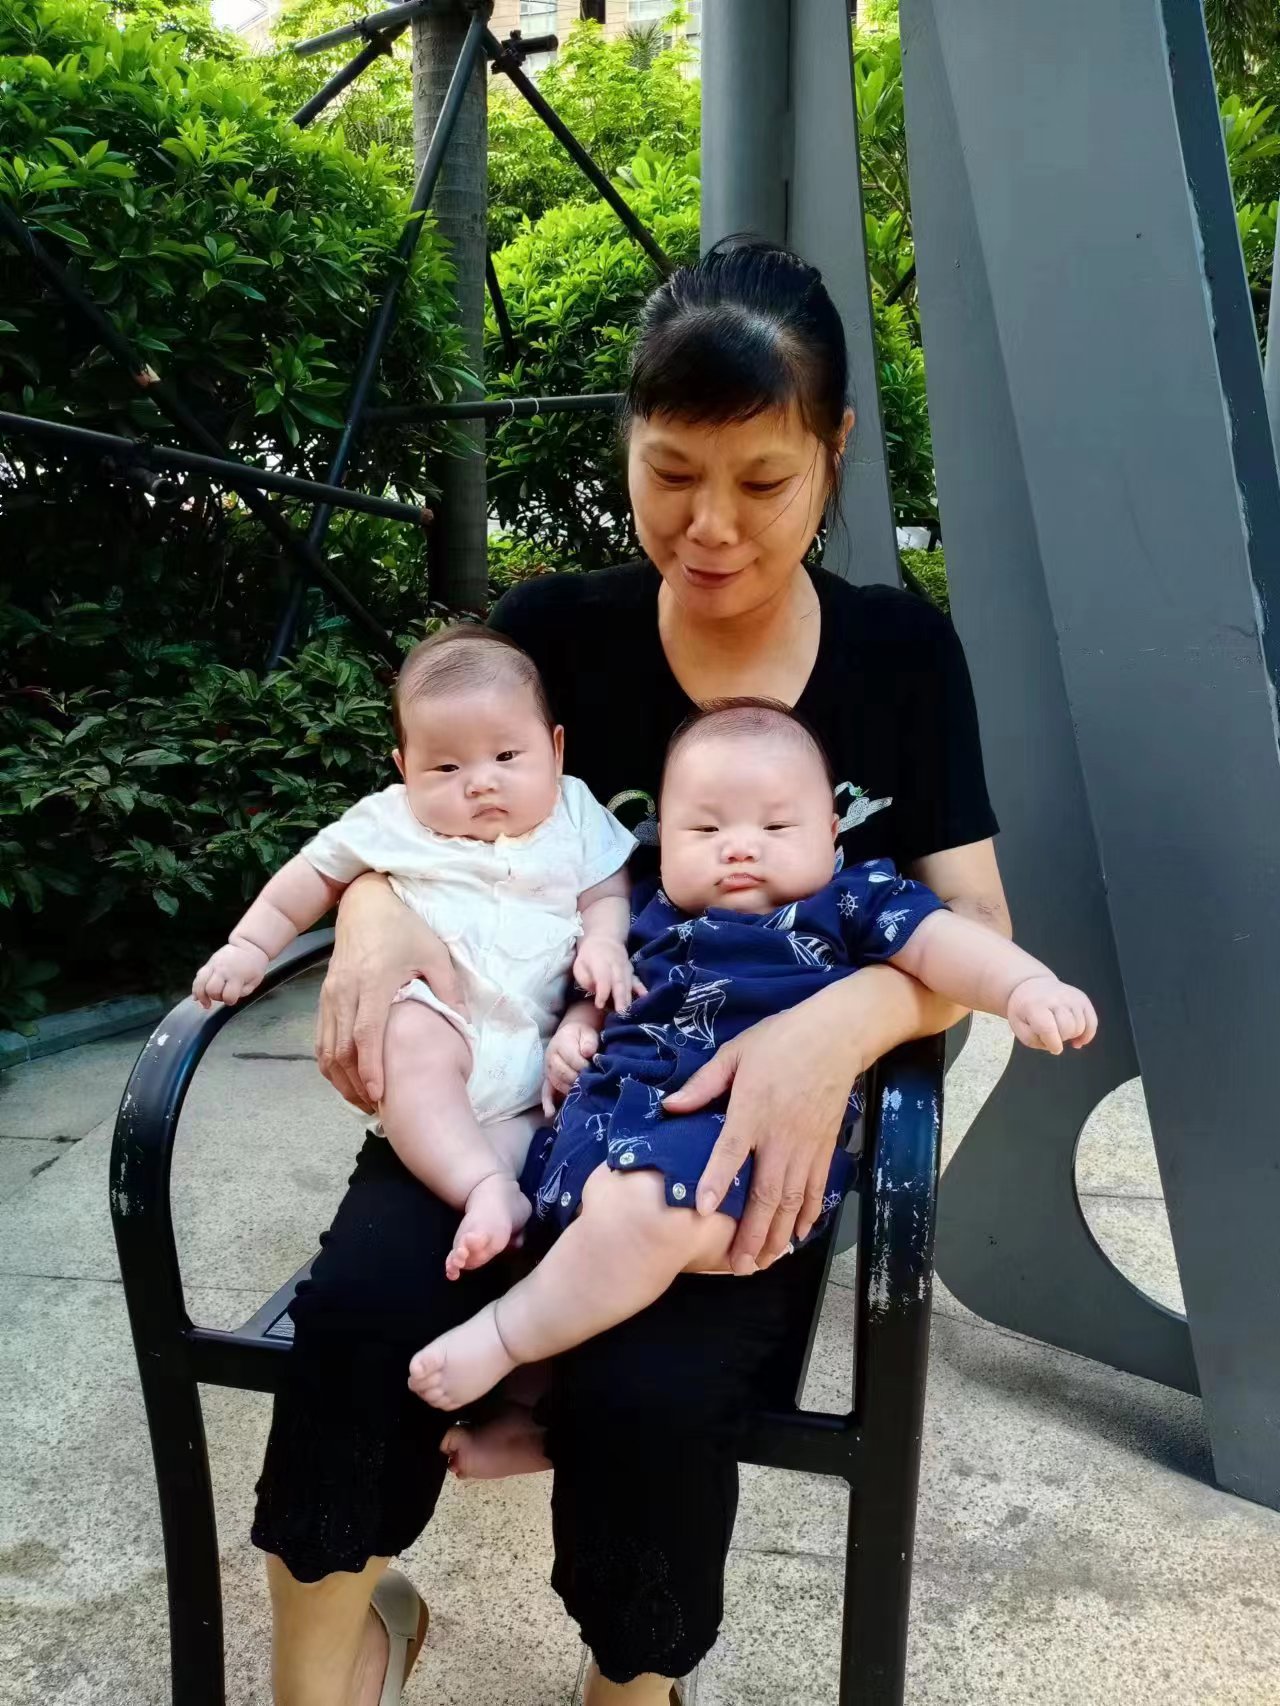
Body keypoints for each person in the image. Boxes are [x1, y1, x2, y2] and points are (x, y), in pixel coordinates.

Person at [251, 237, 1016, 1706]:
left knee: (645, 1395)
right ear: (627, 442)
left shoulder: (900, 657)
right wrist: (379, 912)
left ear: (833, 449)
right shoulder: (556, 637)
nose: (708, 526)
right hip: (515, 1098)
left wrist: (837, 1028)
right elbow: (414, 818)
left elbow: (972, 920)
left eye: (761, 480)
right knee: (360, 1316)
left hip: (728, 1138)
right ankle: (328, 1663)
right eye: (670, 472)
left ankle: (632, 1680)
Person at [408, 699, 1095, 1414]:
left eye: (775, 826)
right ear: (661, 843)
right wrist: (578, 1027)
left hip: (730, 1156)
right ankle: (528, 1415)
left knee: (639, 1215)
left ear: (832, 833)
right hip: (597, 1127)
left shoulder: (852, 902)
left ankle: (505, 1338)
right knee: (508, 1183)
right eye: (705, 829)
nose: (738, 847)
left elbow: (946, 944)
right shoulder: (645, 909)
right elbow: (599, 987)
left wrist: (1023, 986)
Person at [192, 625, 636, 1281]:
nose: (480, 783)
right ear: (404, 770)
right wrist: (248, 946)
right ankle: (482, 1187)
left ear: (556, 747)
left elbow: (607, 890)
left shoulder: (574, 811)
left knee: (543, 1123)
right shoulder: (391, 821)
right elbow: (308, 880)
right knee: (407, 1039)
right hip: (443, 1023)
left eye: (506, 755)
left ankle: (506, 1215)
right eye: (447, 768)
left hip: (541, 1047)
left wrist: (603, 940)